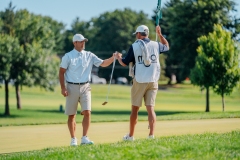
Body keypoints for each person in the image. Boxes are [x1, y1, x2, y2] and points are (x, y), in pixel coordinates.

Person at [59, 34, 116, 146]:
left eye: (84, 41)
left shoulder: (89, 55)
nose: (83, 43)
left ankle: (84, 138)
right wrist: (63, 87)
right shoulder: (68, 56)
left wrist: (113, 58)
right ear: (74, 43)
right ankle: (73, 139)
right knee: (72, 115)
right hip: (71, 87)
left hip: (86, 86)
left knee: (87, 112)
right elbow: (61, 72)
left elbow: (103, 63)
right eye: (81, 41)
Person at [116, 25, 169, 141]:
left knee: (135, 109)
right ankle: (151, 135)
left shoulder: (135, 46)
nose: (136, 36)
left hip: (139, 80)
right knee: (151, 109)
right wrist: (160, 34)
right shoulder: (156, 44)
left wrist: (118, 57)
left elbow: (124, 62)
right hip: (153, 80)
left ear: (139, 34)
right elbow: (166, 46)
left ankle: (130, 136)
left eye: (136, 34)